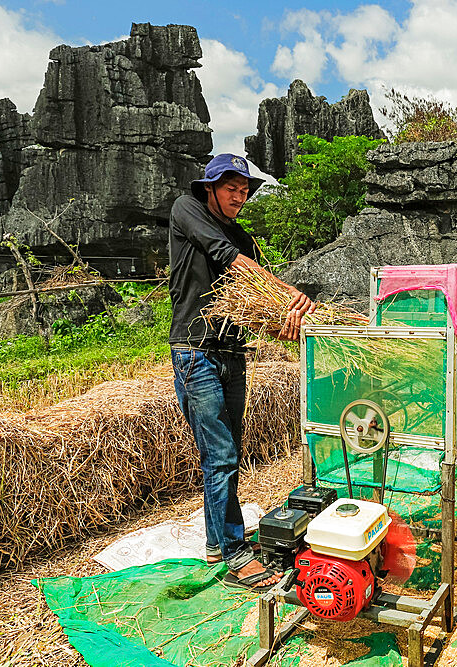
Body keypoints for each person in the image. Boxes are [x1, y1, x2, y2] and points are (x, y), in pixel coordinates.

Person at [169, 153, 314, 591]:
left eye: (245, 188)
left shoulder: (246, 239)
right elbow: (227, 259)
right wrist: (287, 291)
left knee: (226, 450)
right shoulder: (187, 209)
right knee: (222, 456)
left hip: (233, 352)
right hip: (196, 351)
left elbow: (256, 308)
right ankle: (234, 554)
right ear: (210, 187)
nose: (240, 195)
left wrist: (288, 321)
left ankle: (218, 541)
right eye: (231, 187)